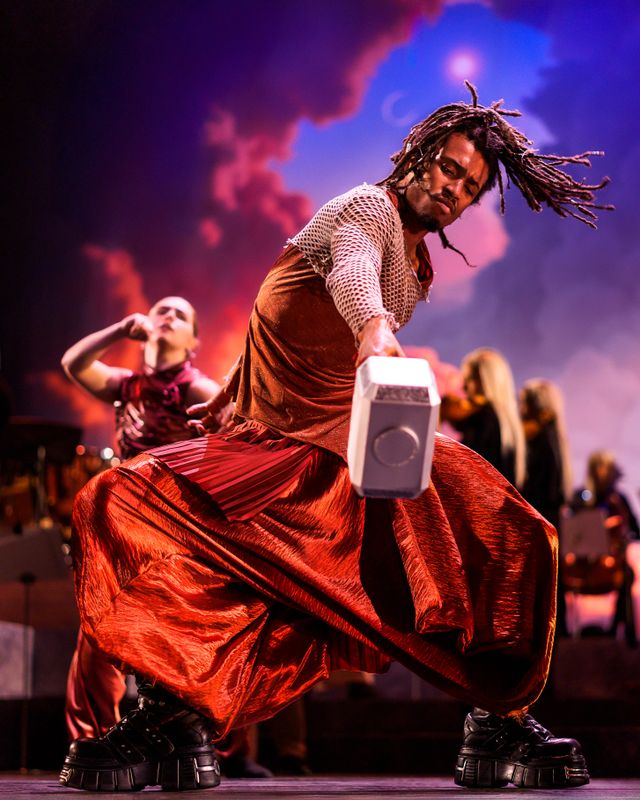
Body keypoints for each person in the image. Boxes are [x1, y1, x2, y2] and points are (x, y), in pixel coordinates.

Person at [60, 84, 611, 792]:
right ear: (417, 155)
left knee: (502, 523)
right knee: (122, 501)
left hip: (329, 450)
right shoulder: (365, 208)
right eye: (449, 168)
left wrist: (260, 378)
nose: (454, 190)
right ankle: (170, 716)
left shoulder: (417, 265)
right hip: (273, 448)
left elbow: (315, 313)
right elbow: (352, 266)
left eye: (470, 187)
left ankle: (499, 720)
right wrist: (373, 328)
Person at [61, 297, 270, 778]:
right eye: (161, 310)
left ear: (194, 341)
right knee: (99, 624)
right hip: (124, 521)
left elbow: (239, 437)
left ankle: (220, 749)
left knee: (190, 632)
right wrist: (119, 328)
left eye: (181, 315)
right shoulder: (126, 385)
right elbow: (74, 363)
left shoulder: (197, 388)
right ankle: (99, 739)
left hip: (173, 525)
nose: (168, 316)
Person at [520, 379, 573, 636]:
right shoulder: (555, 438)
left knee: (541, 582)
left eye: (523, 403)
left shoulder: (540, 439)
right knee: (551, 579)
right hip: (550, 519)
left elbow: (538, 488)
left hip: (538, 518)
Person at [571, 451, 638, 646]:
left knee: (627, 574)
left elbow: (635, 530)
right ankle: (562, 631)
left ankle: (621, 630)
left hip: (611, 563)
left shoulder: (619, 499)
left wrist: (621, 533)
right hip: (582, 563)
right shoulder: (580, 497)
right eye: (600, 467)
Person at [441, 348, 526, 488]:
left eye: (469, 379)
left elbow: (463, 472)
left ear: (485, 381)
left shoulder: (484, 418)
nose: (464, 387)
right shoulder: (504, 421)